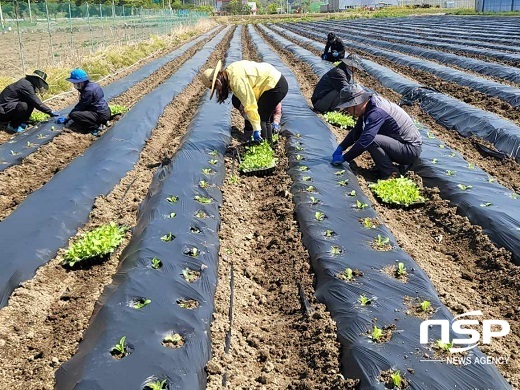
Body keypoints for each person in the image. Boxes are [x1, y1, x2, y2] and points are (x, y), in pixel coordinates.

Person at [331, 83, 422, 179]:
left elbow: (365, 140)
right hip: (401, 144)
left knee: (372, 140)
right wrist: (341, 147)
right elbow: (357, 131)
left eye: (348, 108)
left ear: (356, 103)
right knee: (369, 135)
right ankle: (384, 167)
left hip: (410, 149)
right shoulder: (368, 106)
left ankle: (390, 174)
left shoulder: (376, 112)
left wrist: (345, 158)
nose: (348, 112)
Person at [202, 60, 288, 143]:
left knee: (263, 118)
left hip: (275, 84)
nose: (218, 90)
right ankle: (260, 140)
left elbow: (250, 104)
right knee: (251, 111)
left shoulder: (236, 81)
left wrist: (257, 128)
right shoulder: (230, 72)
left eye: (216, 88)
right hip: (268, 84)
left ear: (218, 82)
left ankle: (266, 147)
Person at [57, 68, 110, 135]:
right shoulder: (93, 85)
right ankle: (102, 121)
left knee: (75, 115)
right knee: (79, 113)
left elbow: (81, 106)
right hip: (105, 111)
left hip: (100, 114)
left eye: (75, 83)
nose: (74, 85)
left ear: (81, 82)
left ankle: (96, 127)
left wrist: (68, 117)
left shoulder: (88, 91)